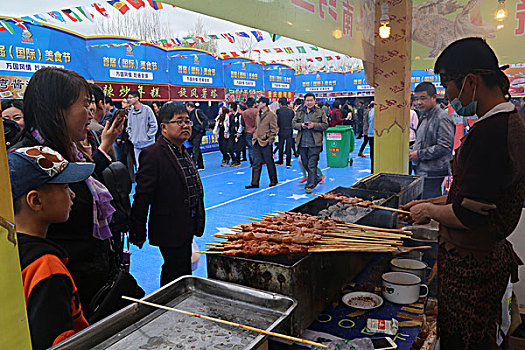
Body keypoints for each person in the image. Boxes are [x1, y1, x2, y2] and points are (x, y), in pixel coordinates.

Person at [400, 37, 525, 350]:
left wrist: (427, 212)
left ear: (471, 81)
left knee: (465, 341)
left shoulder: (491, 133)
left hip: (474, 267)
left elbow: (468, 214)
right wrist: (427, 201)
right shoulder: (508, 122)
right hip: (481, 262)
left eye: (447, 85)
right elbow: (467, 196)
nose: (447, 95)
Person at [12, 67, 126, 320]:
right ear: (57, 110)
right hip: (63, 295)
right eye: (85, 105)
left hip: (96, 287)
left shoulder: (71, 153)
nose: (91, 113)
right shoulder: (31, 162)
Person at [8, 146, 94, 350]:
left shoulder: (9, 250)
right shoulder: (45, 267)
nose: (73, 195)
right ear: (36, 200)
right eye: (65, 187)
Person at [130, 102, 205, 287]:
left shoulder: (182, 150)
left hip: (188, 223)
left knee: (183, 267)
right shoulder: (153, 154)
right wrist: (138, 231)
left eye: (187, 121)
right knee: (174, 270)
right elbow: (142, 196)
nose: (186, 125)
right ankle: (167, 306)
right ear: (163, 127)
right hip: (170, 227)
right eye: (179, 121)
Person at [411, 82, 456, 199]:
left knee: (428, 205)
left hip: (433, 173)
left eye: (423, 98)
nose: (418, 102)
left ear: (434, 97)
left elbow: (445, 146)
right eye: (416, 99)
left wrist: (419, 154)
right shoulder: (425, 116)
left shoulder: (442, 118)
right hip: (423, 171)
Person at [293, 93, 329, 194]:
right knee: (305, 163)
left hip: (315, 143)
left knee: (312, 164)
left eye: (311, 100)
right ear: (305, 101)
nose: (309, 102)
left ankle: (309, 185)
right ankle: (316, 178)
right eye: (307, 100)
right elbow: (293, 124)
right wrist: (301, 125)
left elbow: (325, 125)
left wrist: (314, 125)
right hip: (302, 142)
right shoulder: (300, 112)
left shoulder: (320, 112)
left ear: (314, 101)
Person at [245, 97, 278, 189]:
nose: (258, 104)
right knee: (256, 162)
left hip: (266, 142)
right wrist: (255, 137)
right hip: (257, 141)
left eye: (259, 102)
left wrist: (269, 140)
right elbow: (256, 127)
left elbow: (274, 129)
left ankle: (273, 180)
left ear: (264, 104)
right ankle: (254, 182)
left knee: (269, 162)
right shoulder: (258, 114)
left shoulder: (271, 115)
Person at [126, 90, 158, 169]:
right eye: (128, 98)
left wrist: (148, 136)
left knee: (151, 165)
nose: (128, 100)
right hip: (136, 145)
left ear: (137, 98)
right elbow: (129, 127)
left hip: (148, 144)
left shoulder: (147, 109)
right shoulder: (130, 112)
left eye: (130, 98)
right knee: (139, 166)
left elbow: (154, 125)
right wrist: (132, 138)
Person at [186, 102, 207, 170]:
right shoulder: (189, 114)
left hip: (198, 132)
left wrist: (201, 128)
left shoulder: (197, 111)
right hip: (193, 133)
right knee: (197, 149)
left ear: (189, 106)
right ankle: (200, 165)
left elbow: (205, 119)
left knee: (195, 149)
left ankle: (193, 165)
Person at [276, 97, 294, 168]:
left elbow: (277, 121)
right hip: (289, 130)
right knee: (288, 147)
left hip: (281, 130)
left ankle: (280, 161)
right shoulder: (291, 111)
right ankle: (288, 163)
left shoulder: (278, 111)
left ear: (280, 103)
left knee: (280, 146)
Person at [242, 97, 258, 167]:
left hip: (248, 132)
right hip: (257, 132)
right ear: (254, 104)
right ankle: (258, 161)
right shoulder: (258, 111)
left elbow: (242, 123)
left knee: (250, 148)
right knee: (258, 147)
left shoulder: (244, 113)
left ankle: (252, 163)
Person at [227, 102, 243, 167]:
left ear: (233, 108)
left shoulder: (239, 115)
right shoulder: (230, 116)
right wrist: (226, 132)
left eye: (230, 107)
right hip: (231, 133)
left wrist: (239, 132)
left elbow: (241, 125)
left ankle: (238, 161)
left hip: (238, 134)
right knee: (229, 148)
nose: (229, 108)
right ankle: (233, 159)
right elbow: (228, 125)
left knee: (237, 148)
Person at [408, 107, 419, 174]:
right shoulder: (412, 112)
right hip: (411, 138)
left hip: (399, 139)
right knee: (410, 159)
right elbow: (416, 125)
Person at [367, 104, 375, 173]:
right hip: (376, 135)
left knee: (372, 156)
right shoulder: (378, 111)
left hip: (370, 135)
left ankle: (373, 172)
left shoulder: (371, 111)